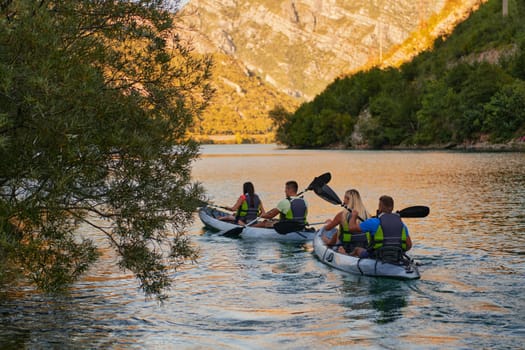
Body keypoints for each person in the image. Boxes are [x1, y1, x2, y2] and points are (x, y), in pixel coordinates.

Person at [348, 195, 412, 259]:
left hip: (376, 256)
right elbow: (409, 245)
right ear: (392, 208)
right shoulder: (401, 225)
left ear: (380, 207)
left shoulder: (373, 222)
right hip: (396, 256)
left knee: (357, 249)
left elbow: (351, 228)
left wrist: (354, 216)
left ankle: (344, 255)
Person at [321, 189, 371, 254]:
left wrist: (328, 223)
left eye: (344, 198)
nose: (343, 200)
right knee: (339, 231)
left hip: (347, 248)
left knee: (323, 236)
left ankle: (329, 243)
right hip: (364, 246)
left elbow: (327, 228)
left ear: (348, 200)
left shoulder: (342, 215)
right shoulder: (368, 215)